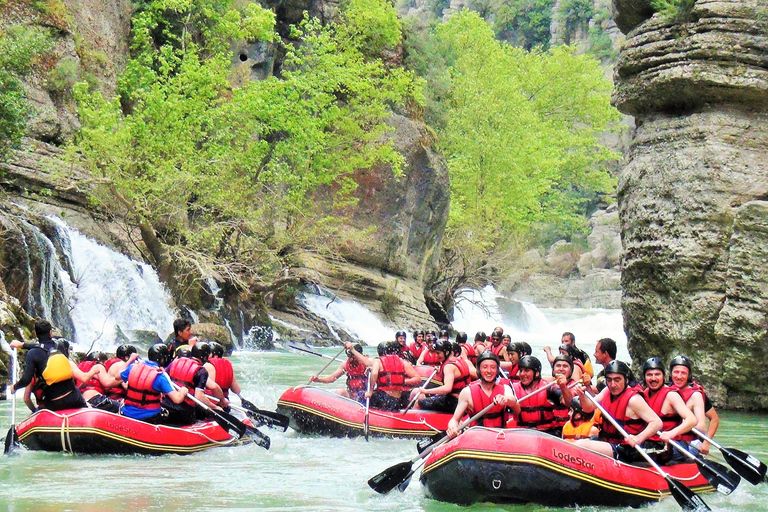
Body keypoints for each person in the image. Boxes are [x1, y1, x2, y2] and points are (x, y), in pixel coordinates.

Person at [573, 360, 663, 463]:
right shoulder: (606, 391)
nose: (613, 384)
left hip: (628, 448)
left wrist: (638, 438)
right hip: (611, 442)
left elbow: (657, 422)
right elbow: (588, 408)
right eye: (609, 380)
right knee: (579, 443)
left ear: (626, 380)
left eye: (617, 380)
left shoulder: (634, 400)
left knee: (582, 445)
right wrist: (582, 396)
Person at [11, 321, 95, 411]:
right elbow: (45, 346)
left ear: (35, 334)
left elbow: (26, 380)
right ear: (51, 333)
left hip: (54, 403)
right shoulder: (60, 346)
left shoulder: (32, 354)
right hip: (74, 398)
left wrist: (15, 387)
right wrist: (23, 345)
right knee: (87, 405)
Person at [447, 351, 518, 438]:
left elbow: (513, 401)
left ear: (497, 370)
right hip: (476, 438)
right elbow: (454, 420)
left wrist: (506, 399)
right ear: (479, 369)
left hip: (500, 437)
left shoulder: (506, 389)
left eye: (493, 367)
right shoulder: (467, 392)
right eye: (485, 367)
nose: (489, 371)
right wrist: (452, 427)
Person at [641, 357, 697, 462]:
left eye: (657, 374)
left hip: (673, 446)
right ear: (644, 377)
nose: (653, 378)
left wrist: (671, 434)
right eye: (649, 375)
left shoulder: (671, 395)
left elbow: (692, 420)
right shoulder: (644, 395)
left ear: (663, 376)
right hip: (652, 443)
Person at [119, 343, 188, 423]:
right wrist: (183, 391)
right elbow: (177, 399)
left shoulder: (133, 367)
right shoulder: (160, 376)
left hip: (127, 413)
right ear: (162, 359)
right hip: (150, 417)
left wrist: (130, 360)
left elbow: (118, 375)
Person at [669, 355, 719, 456]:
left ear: (689, 376)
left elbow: (714, 419)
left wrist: (706, 443)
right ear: (670, 373)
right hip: (670, 440)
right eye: (676, 372)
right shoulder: (666, 390)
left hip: (689, 443)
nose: (679, 376)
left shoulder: (696, 394)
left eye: (683, 373)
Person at [162, 343, 219, 425]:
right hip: (184, 413)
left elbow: (164, 379)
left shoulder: (175, 362)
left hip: (166, 407)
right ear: (205, 357)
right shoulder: (201, 371)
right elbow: (199, 396)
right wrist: (214, 407)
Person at [412, 339, 472, 412]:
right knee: (435, 397)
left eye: (438, 353)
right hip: (463, 398)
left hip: (454, 402)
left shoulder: (448, 366)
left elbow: (447, 388)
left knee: (419, 403)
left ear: (446, 353)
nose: (436, 356)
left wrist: (426, 391)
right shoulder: (459, 360)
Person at [512, 356, 564, 436]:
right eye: (521, 370)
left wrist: (563, 387)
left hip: (546, 432)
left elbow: (566, 402)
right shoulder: (512, 389)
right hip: (522, 433)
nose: (522, 374)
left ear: (536, 373)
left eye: (527, 370)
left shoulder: (548, 388)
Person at [365, 342, 421, 411]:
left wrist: (370, 391)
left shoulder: (378, 361)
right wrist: (400, 381)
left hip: (384, 399)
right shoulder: (402, 361)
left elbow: (374, 374)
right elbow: (418, 379)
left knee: (361, 394)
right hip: (398, 400)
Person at [546, 354, 577, 436]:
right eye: (558, 366)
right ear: (553, 370)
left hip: (568, 427)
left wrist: (563, 386)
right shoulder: (546, 384)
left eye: (565, 366)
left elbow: (568, 403)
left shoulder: (575, 385)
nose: (561, 369)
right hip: (549, 428)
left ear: (571, 371)